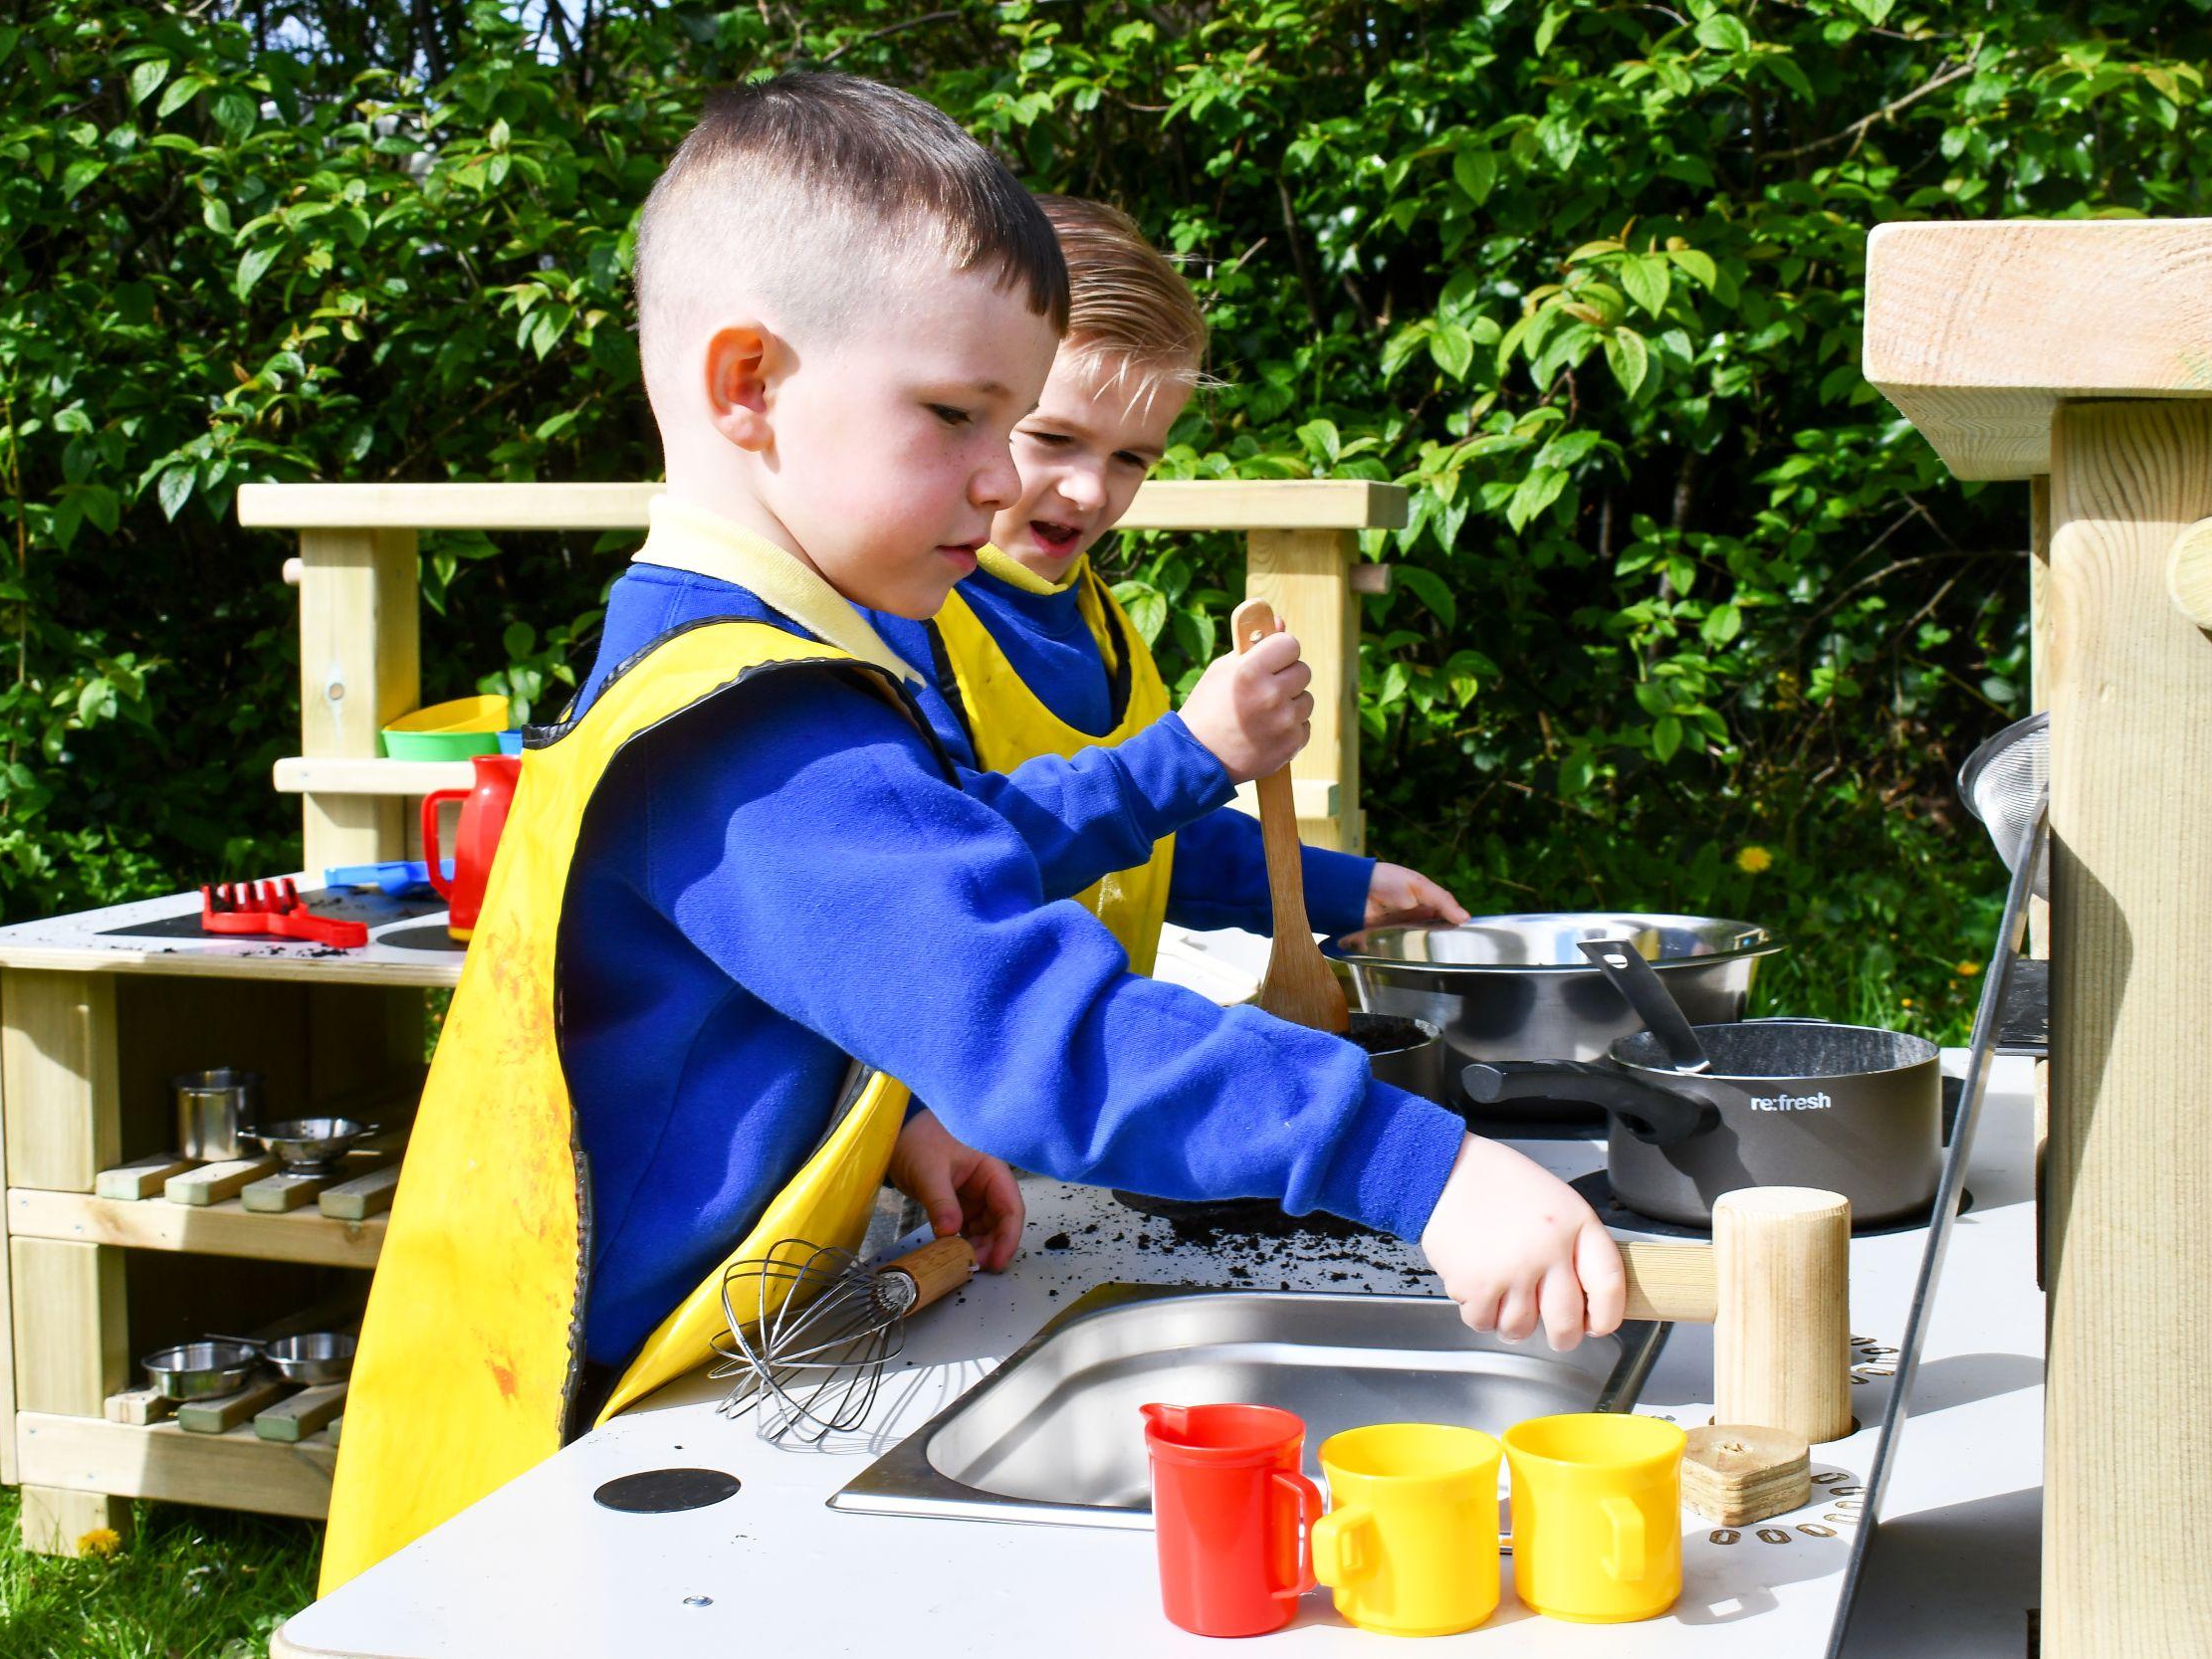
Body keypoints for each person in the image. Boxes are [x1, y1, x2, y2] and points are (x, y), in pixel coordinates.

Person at [320, 72, 1621, 1597]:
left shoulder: (748, 663)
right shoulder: (751, 726)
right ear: (748, 384)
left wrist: (895, 1123)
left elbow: (877, 925)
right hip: (581, 1438)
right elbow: (1026, 1017)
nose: (1011, 481)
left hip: (685, 1367)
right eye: (958, 416)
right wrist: (1414, 1164)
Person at [869, 195, 1467, 977]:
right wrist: (1191, 753)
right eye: (1055, 438)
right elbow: (956, 859)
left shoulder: (1099, 616)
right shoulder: (893, 612)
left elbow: (1145, 843)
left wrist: (1342, 888)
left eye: (1132, 459)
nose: (1090, 492)